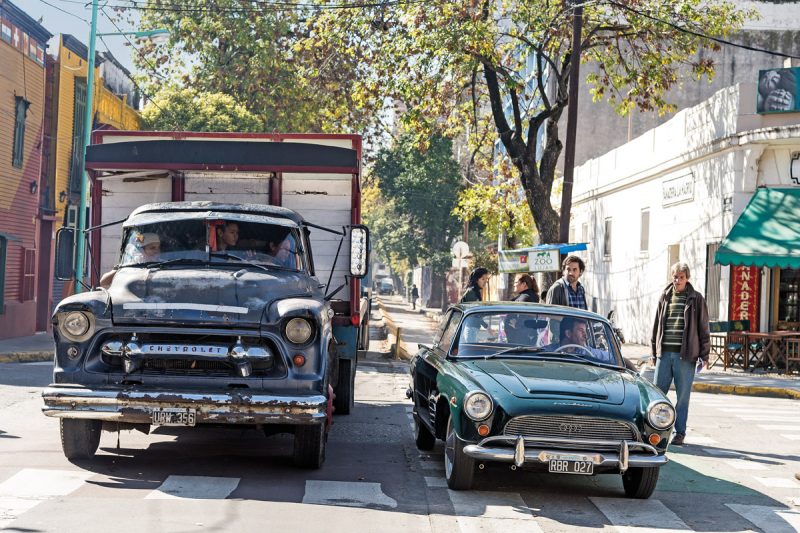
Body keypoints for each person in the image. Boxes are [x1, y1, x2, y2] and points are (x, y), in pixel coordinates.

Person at [651, 261, 710, 446]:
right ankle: (655, 431)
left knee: (683, 397)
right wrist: (654, 351)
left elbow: (703, 328)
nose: (677, 280)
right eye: (675, 277)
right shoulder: (665, 296)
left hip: (686, 356)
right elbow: (656, 326)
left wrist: (705, 355)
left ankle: (680, 433)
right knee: (657, 395)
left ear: (687, 278)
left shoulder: (696, 299)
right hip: (665, 353)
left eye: (681, 277)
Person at [543, 316, 613, 363]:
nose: (585, 335)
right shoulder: (548, 352)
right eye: (581, 330)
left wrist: (620, 359)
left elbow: (611, 357)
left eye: (585, 331)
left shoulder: (587, 352)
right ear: (568, 333)